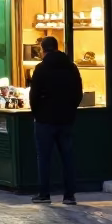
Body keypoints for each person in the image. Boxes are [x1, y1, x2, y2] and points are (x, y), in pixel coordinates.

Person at [28, 36, 83, 205]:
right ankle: (69, 195)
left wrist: (37, 113)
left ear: (43, 50)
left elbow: (34, 95)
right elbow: (78, 93)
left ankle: (44, 194)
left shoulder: (41, 68)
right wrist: (70, 110)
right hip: (66, 119)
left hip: (45, 120)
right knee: (67, 157)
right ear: (57, 48)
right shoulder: (71, 68)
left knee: (44, 158)